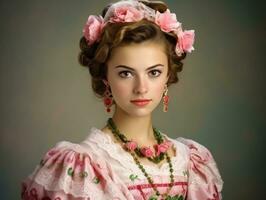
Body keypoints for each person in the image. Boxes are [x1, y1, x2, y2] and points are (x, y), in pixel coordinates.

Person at [21, 0, 223, 199]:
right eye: (126, 73)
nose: (141, 88)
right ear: (105, 77)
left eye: (153, 72)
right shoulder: (83, 164)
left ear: (168, 76)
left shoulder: (190, 160)